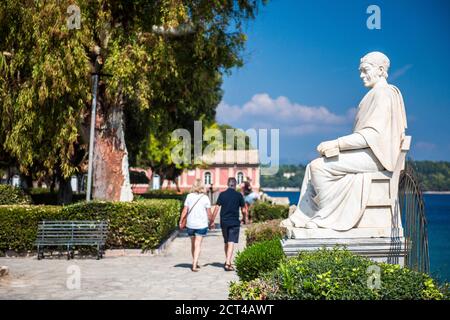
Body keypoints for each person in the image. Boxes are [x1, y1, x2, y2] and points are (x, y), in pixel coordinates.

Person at [282, 51, 407, 231]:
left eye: (365, 70)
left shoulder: (383, 94)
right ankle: (303, 216)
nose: (362, 75)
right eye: (360, 71)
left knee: (319, 167)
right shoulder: (376, 94)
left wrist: (337, 144)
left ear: (381, 70)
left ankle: (326, 218)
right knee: (312, 167)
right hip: (370, 153)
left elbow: (371, 135)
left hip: (377, 157)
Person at [211, 177, 247, 271]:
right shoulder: (239, 195)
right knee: (231, 242)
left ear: (228, 184)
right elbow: (243, 209)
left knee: (226, 242)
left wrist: (212, 220)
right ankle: (228, 262)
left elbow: (216, 208)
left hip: (224, 222)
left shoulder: (222, 194)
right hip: (234, 222)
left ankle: (228, 260)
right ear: (235, 185)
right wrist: (244, 218)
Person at [179, 179, 214, 272]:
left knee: (193, 244)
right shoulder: (205, 198)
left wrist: (180, 220)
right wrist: (211, 222)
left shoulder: (189, 196)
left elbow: (184, 211)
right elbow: (209, 213)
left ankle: (195, 262)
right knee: (197, 244)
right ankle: (194, 264)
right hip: (201, 225)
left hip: (190, 224)